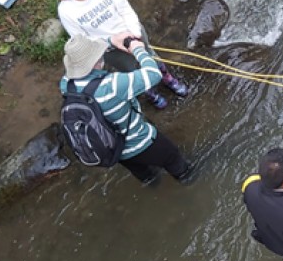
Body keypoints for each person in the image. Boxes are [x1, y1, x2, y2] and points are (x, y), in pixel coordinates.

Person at [49, 0, 188, 109]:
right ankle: (150, 93)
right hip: (110, 49)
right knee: (132, 72)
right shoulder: (66, 11)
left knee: (151, 57)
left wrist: (135, 32)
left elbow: (125, 9)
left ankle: (167, 79)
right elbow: (83, 41)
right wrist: (111, 41)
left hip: (132, 32)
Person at [60, 34, 192, 185]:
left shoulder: (66, 84)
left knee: (146, 175)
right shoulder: (113, 84)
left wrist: (111, 41)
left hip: (114, 149)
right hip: (140, 142)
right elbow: (154, 74)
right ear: (96, 61)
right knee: (173, 158)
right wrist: (139, 50)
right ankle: (188, 182)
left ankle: (153, 184)